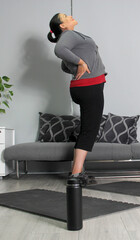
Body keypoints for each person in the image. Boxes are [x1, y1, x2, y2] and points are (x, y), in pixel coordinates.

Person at [47, 13, 107, 186]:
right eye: (65, 16)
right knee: (89, 131)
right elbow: (59, 51)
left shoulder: (71, 36)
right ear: (62, 26)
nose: (70, 16)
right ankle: (75, 174)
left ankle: (79, 171)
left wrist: (76, 66)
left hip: (82, 87)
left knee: (87, 129)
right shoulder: (69, 35)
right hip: (90, 86)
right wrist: (81, 63)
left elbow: (63, 64)